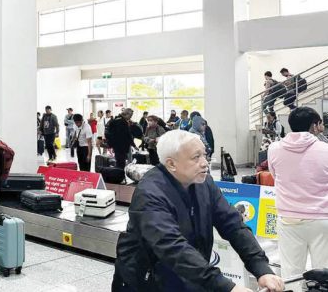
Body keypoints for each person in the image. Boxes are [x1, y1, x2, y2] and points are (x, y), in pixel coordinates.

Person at [113, 130, 284, 292]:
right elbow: (172, 247)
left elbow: (233, 225)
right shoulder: (149, 194)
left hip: (189, 275)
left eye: (205, 155)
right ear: (171, 163)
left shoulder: (204, 183)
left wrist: (261, 268)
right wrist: (226, 286)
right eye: (196, 157)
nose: (205, 163)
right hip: (147, 280)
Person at [268, 107, 328, 282]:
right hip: (322, 218)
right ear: (314, 126)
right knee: (324, 272)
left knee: (291, 274)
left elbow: (275, 175)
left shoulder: (274, 149)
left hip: (288, 217)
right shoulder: (325, 149)